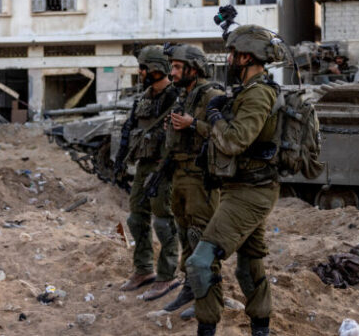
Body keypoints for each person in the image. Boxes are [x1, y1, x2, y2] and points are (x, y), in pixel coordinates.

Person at [186, 25, 283, 336]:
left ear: (245, 56)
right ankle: (261, 328)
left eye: (231, 54)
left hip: (250, 192)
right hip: (242, 187)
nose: (228, 59)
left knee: (200, 262)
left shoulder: (258, 94)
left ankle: (206, 328)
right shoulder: (248, 91)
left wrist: (215, 119)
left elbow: (234, 141)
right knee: (249, 264)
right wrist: (210, 120)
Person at [161, 44, 225, 318]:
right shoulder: (184, 96)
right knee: (185, 232)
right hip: (181, 173)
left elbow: (227, 132)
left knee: (201, 235)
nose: (172, 72)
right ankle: (190, 286)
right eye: (172, 66)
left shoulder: (213, 95)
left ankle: (209, 297)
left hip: (202, 177)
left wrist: (192, 125)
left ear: (193, 68)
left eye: (177, 67)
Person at [116, 45, 180, 301]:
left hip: (165, 165)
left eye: (144, 68)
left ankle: (167, 275)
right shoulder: (143, 97)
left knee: (164, 221)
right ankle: (143, 269)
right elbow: (128, 129)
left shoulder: (176, 97)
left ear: (156, 69)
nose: (140, 72)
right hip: (144, 164)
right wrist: (120, 161)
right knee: (136, 218)